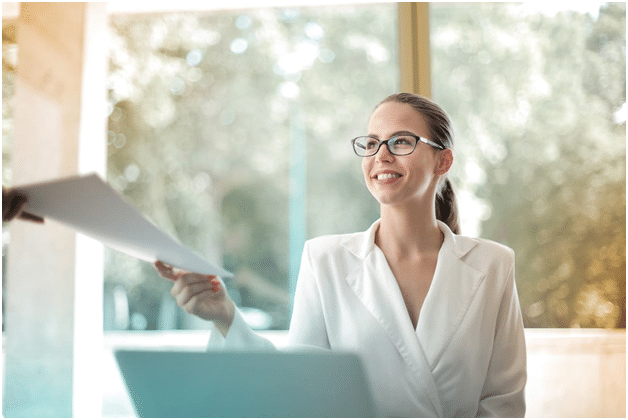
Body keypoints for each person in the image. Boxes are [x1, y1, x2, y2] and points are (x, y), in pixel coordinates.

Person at [155, 93, 527, 417]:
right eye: (371, 143)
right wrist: (225, 317)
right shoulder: (324, 260)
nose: (381, 155)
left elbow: (503, 402)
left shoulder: (492, 265)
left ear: (442, 162)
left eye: (400, 142)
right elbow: (298, 390)